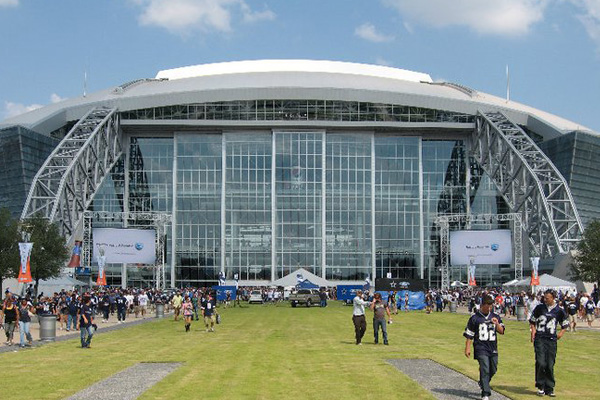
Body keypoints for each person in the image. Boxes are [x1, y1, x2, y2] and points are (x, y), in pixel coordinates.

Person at [464, 295, 505, 400]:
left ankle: (483, 382)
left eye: (491, 305)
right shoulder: (475, 318)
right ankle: (485, 393)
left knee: (493, 368)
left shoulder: (495, 316)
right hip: (480, 347)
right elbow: (469, 334)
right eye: (488, 305)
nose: (490, 308)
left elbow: (502, 331)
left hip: (492, 346)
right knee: (485, 368)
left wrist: (496, 324)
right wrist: (467, 348)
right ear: (482, 305)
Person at [529, 289, 568, 397]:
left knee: (550, 364)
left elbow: (565, 323)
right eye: (544, 297)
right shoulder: (539, 308)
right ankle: (540, 385)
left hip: (551, 340)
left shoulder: (559, 310)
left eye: (547, 298)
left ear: (553, 298)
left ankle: (549, 387)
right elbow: (532, 321)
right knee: (541, 362)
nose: (545, 299)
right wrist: (533, 331)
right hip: (540, 338)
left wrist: (561, 333)